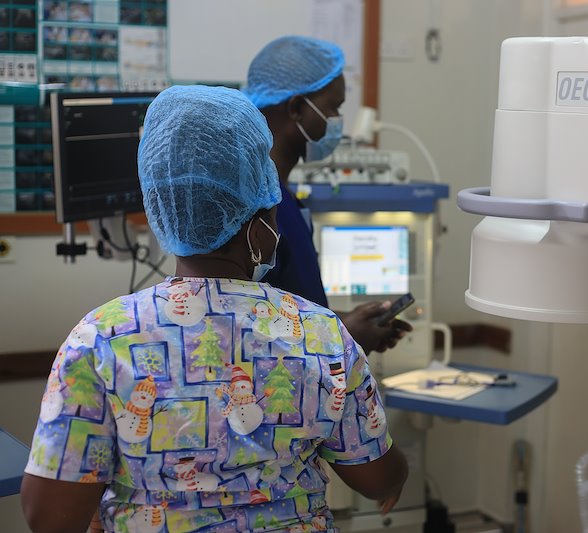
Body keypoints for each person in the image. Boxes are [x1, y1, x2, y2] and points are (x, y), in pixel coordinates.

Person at [20, 85, 407, 533]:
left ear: (160, 208)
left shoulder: (99, 340)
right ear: (261, 224)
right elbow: (378, 477)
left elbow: (48, 516)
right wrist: (397, 475)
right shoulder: (321, 334)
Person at [242, 36, 412, 355]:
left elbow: (296, 306)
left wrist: (347, 324)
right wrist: (342, 334)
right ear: (296, 108)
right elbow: (252, 329)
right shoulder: (260, 209)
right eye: (333, 107)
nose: (337, 121)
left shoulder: (284, 200)